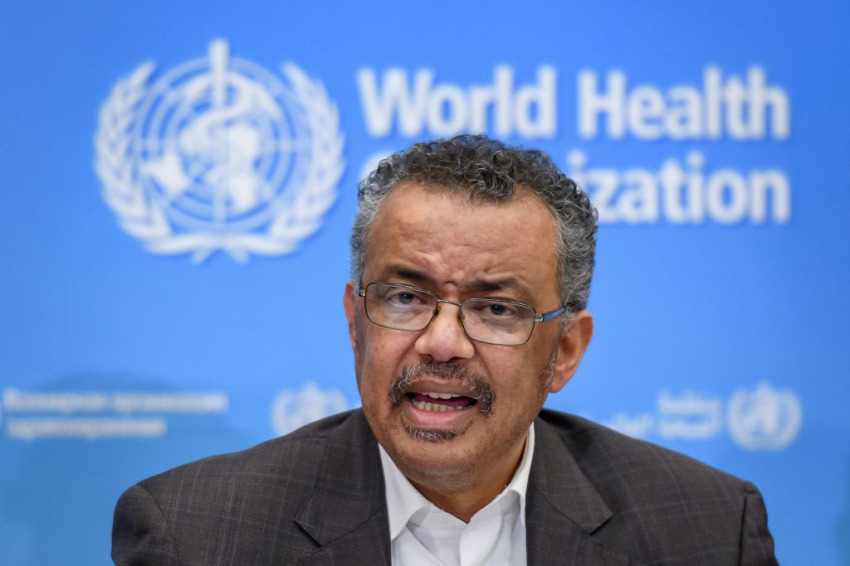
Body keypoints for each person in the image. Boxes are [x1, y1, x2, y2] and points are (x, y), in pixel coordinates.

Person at [112, 135, 777, 565]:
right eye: (404, 297)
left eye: (496, 308)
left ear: (566, 351)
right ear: (355, 321)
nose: (441, 342)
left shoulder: (709, 533)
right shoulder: (197, 538)